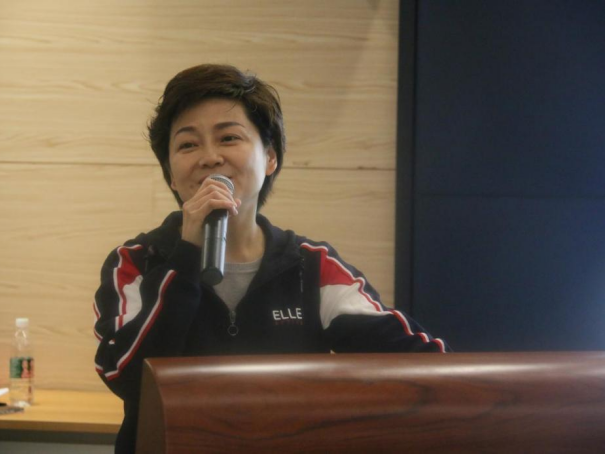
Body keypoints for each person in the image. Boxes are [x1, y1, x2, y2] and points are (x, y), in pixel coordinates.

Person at [93, 64, 448, 453]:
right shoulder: (136, 262)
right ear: (171, 174)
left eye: (229, 137)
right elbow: (125, 376)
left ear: (271, 158)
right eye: (188, 145)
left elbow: (422, 364)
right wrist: (185, 260)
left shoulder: (311, 267)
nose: (210, 158)